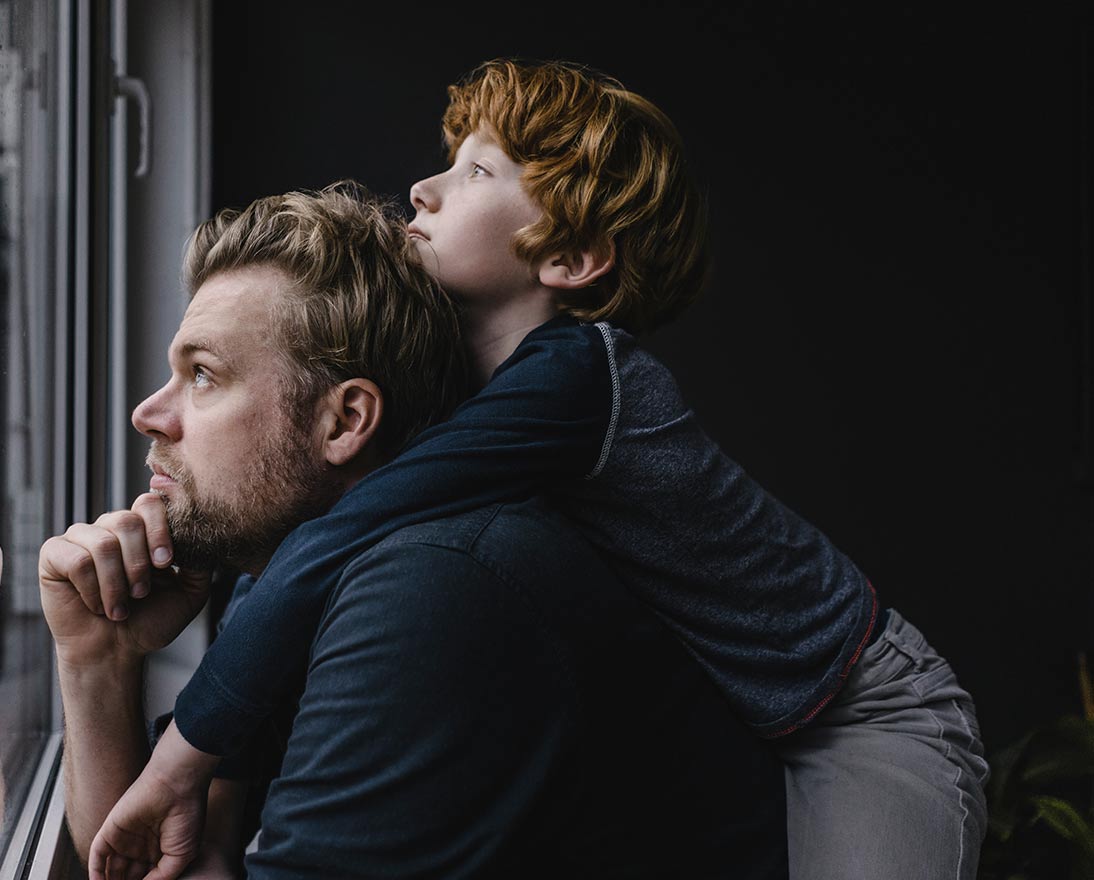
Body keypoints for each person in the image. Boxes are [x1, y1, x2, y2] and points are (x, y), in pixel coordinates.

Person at [94, 59, 990, 878]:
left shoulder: (577, 378)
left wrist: (186, 756)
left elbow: (339, 533)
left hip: (862, 708)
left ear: (569, 259)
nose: (424, 186)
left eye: (478, 172)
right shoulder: (467, 404)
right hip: (747, 706)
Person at [40, 182, 789, 879]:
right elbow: (153, 853)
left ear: (347, 421)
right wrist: (97, 661)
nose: (149, 413)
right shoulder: (294, 596)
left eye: (202, 374)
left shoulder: (428, 589)